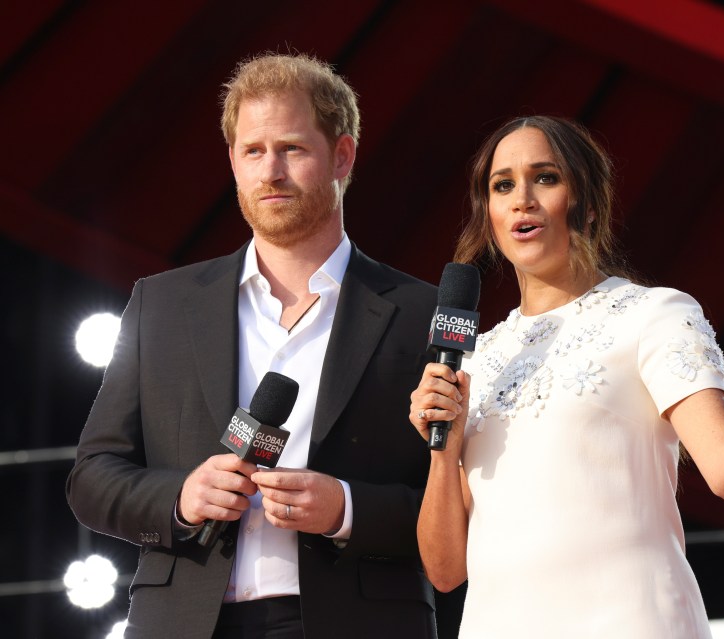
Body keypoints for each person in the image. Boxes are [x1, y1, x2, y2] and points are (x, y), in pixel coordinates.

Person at [408, 115, 724, 638]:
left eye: (546, 177)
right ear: (487, 212)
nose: (522, 199)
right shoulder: (477, 357)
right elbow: (445, 571)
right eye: (503, 185)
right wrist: (442, 449)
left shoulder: (652, 315)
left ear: (584, 199)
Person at [66, 53, 452, 639]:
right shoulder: (162, 303)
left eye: (292, 149)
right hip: (187, 622)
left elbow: (460, 503)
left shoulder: (420, 313)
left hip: (361, 620)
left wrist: (347, 509)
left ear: (342, 156)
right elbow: (92, 477)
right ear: (233, 161)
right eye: (253, 150)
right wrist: (182, 496)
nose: (270, 170)